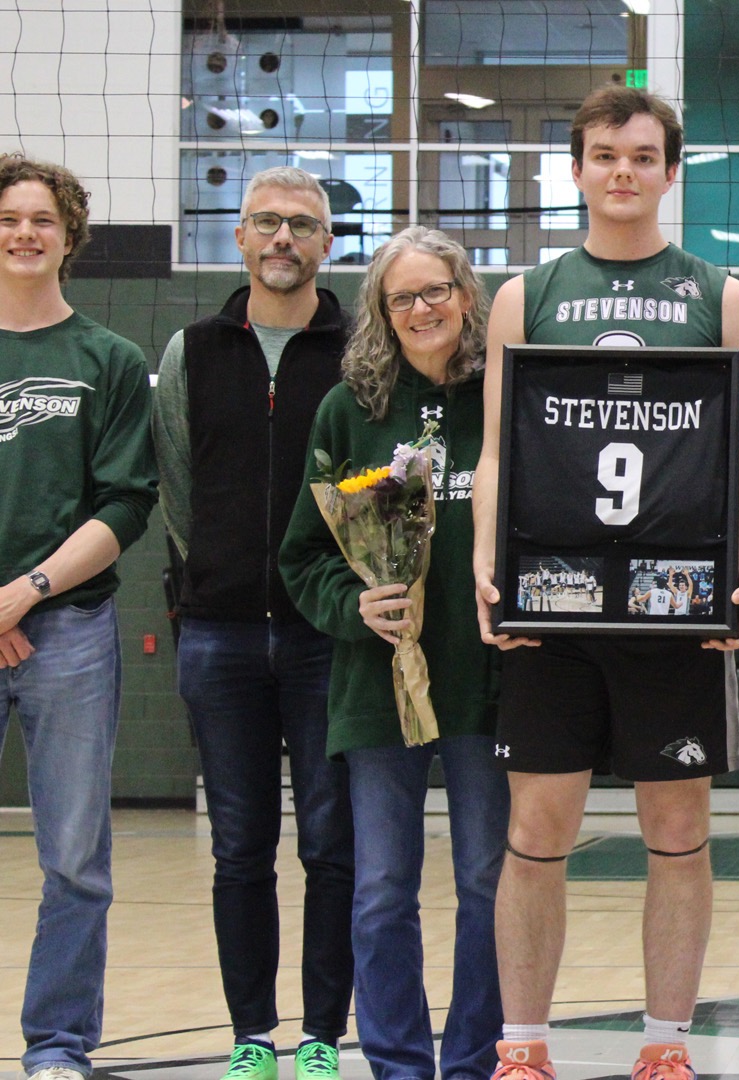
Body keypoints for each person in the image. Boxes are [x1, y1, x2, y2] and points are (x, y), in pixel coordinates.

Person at [472, 86, 739, 1080]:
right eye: (605, 155)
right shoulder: (530, 294)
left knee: (678, 826)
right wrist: (487, 564)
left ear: (669, 171)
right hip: (553, 599)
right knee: (536, 825)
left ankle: (668, 1043)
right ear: (576, 169)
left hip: (671, 603)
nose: (622, 172)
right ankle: (523, 1046)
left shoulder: (717, 295)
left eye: (643, 157)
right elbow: (496, 451)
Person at [279, 227, 508, 1080]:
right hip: (379, 685)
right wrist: (355, 605)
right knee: (381, 892)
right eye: (401, 297)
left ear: (465, 293)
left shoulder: (502, 394)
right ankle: (399, 1065)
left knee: (488, 886)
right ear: (381, 310)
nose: (422, 309)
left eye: (435, 290)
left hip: (484, 678)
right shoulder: (351, 408)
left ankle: (478, 1059)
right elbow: (302, 556)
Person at [152, 164, 354, 1080]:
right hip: (221, 635)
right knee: (240, 848)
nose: (283, 239)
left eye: (302, 225)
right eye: (266, 223)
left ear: (327, 244)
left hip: (326, 636)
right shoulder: (189, 351)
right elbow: (180, 492)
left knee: (329, 844)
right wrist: (221, 576)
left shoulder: (359, 351)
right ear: (239, 237)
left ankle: (320, 1033)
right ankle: (250, 1037)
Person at [0, 153, 157, 1080]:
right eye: (9, 218)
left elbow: (125, 505)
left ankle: (56, 1044)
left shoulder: (109, 360)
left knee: (74, 859)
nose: (24, 233)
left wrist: (26, 593)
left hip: (67, 632)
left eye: (41, 220)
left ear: (69, 236)